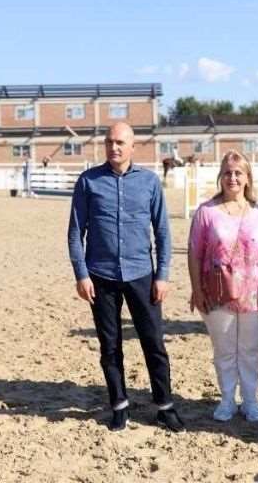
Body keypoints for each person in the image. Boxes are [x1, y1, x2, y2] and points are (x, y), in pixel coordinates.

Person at [68, 122, 184, 433]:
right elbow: (76, 232)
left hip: (141, 274)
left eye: (120, 142)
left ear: (133, 146)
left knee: (153, 342)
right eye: (109, 142)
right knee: (110, 345)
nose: (114, 147)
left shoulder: (149, 182)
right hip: (100, 276)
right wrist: (81, 274)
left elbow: (162, 231)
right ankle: (119, 405)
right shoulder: (88, 181)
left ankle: (165, 406)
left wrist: (162, 275)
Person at [188, 151, 258, 422]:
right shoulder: (206, 212)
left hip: (254, 294)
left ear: (248, 177)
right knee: (224, 350)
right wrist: (197, 290)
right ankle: (227, 399)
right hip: (217, 293)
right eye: (227, 172)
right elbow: (194, 253)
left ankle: (250, 400)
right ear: (220, 177)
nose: (233, 178)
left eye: (238, 173)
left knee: (250, 350)